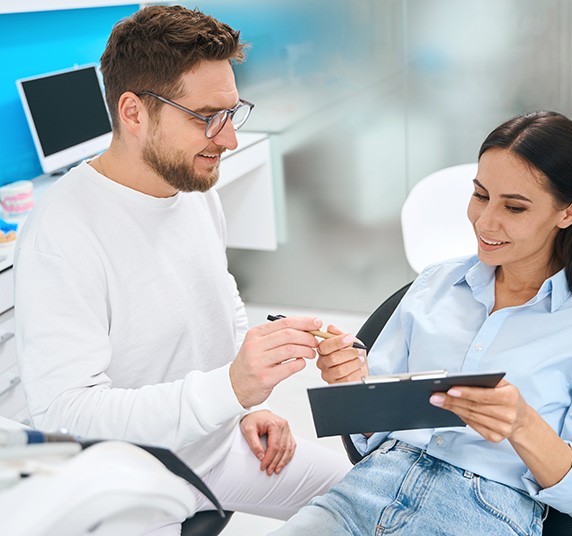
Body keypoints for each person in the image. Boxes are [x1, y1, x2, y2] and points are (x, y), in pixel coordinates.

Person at [14, 5, 351, 534]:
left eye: (231, 113)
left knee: (377, 498)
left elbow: (221, 296)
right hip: (133, 469)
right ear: (133, 113)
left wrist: (240, 408)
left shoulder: (189, 183)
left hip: (221, 445)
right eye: (205, 118)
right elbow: (66, 415)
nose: (229, 139)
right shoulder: (62, 234)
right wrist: (229, 391)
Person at [272, 110, 572, 535]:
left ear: (570, 212)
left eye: (514, 207)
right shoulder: (436, 283)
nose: (485, 222)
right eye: (480, 195)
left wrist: (523, 425)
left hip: (484, 511)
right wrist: (351, 384)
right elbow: (370, 435)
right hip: (370, 487)